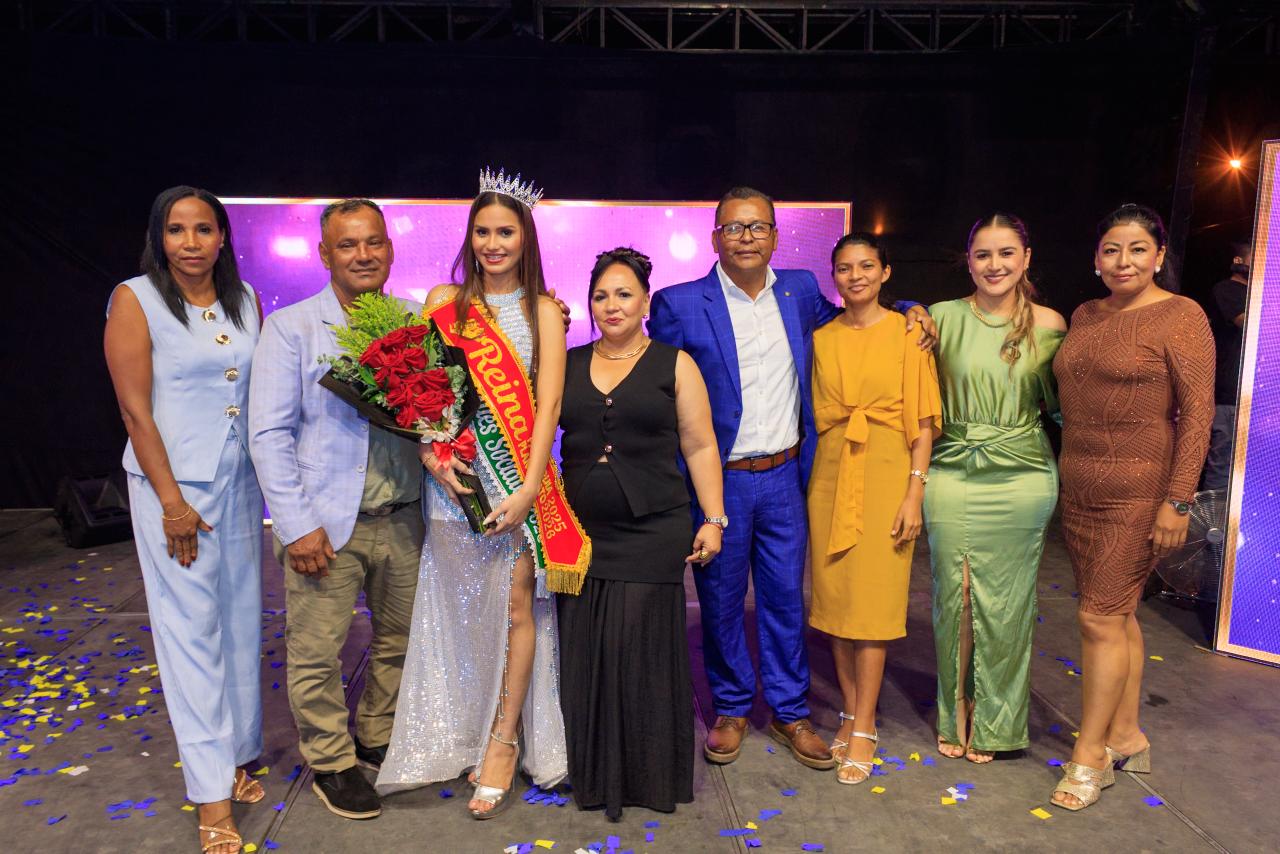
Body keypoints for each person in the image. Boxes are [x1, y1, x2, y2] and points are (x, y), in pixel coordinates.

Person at [647, 186, 936, 770]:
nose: (747, 237)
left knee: (784, 599)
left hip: (785, 476)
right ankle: (731, 708)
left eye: (758, 226)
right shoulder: (680, 303)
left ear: (776, 237)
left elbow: (857, 313)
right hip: (720, 481)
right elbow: (656, 384)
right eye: (734, 227)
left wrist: (910, 307)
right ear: (715, 238)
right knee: (721, 599)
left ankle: (789, 710)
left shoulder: (799, 291)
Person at [377, 170, 586, 821]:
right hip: (454, 482)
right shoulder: (443, 300)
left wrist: (528, 487)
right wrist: (431, 452)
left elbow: (548, 403)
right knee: (462, 607)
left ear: (525, 239)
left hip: (514, 482)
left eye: (506, 232)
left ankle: (503, 741)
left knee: (518, 608)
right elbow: (420, 389)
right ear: (469, 236)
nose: (493, 244)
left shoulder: (543, 311)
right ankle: (464, 728)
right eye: (483, 231)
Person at [248, 199, 424, 822]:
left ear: (390, 248)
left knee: (399, 641)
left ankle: (377, 734)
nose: (363, 255)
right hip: (324, 526)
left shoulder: (415, 321)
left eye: (373, 242)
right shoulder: (291, 328)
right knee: (317, 652)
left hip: (405, 517)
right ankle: (330, 760)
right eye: (347, 245)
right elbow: (268, 434)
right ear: (324, 254)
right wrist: (296, 525)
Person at [104, 186, 265, 854]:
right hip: (175, 491)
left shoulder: (244, 298)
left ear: (223, 237)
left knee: (240, 623)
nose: (191, 242)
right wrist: (172, 502)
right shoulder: (134, 299)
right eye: (177, 230)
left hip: (240, 484)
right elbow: (134, 410)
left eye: (204, 229)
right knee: (191, 636)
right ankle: (210, 798)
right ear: (159, 237)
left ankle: (236, 759)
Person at [1051, 204, 1214, 810]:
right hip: (1080, 489)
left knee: (1098, 619)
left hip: (1140, 492)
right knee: (1117, 617)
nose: (1124, 261)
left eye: (1138, 249)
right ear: (1097, 259)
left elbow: (1197, 414)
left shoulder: (1182, 315)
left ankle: (1090, 754)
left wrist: (1178, 499)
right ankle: (1126, 735)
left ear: (1160, 255)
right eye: (1112, 249)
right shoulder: (1086, 314)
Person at [557, 247, 724, 821]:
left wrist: (713, 518)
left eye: (624, 294)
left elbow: (700, 445)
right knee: (588, 654)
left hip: (653, 532)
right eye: (601, 295)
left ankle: (649, 777)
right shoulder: (567, 362)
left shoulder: (675, 364)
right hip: (580, 537)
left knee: (640, 654)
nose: (612, 305)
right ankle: (595, 775)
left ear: (646, 301)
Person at [924, 214, 1066, 764]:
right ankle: (954, 708)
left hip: (1023, 474)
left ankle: (997, 721)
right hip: (952, 468)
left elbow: (1064, 406)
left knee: (1007, 603)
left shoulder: (1050, 324)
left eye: (1006, 253)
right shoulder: (940, 317)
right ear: (968, 261)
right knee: (953, 597)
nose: (994, 265)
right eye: (983, 254)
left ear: (1026, 259)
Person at [807, 233, 941, 784]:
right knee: (837, 602)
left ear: (886, 272)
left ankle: (865, 723)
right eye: (844, 267)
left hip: (888, 472)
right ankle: (847, 710)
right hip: (831, 474)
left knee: (874, 603)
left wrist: (915, 490)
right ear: (833, 276)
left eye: (867, 266)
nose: (855, 276)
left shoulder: (908, 333)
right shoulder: (821, 338)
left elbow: (924, 422)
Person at [1202, 242, 1251, 490]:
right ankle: (1215, 513)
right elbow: (1248, 323)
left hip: (1256, 395)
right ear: (1238, 261)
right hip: (1231, 394)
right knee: (1223, 465)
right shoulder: (1227, 289)